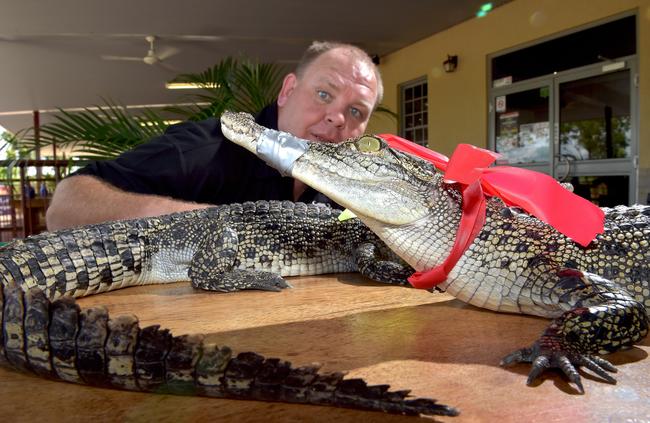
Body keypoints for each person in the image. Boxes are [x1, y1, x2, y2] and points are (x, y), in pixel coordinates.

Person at [45, 41, 383, 230]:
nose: (338, 118)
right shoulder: (207, 150)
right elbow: (65, 205)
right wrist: (214, 222)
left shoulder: (347, 186)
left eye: (356, 112)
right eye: (324, 94)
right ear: (288, 91)